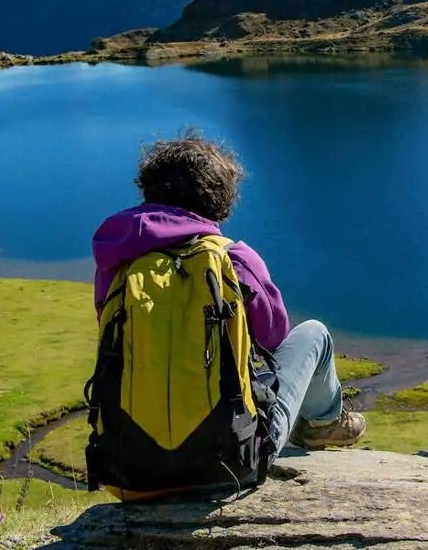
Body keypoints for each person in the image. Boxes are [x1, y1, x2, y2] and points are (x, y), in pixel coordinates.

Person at [91, 131, 366, 465]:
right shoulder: (233, 259)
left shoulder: (118, 264)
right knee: (314, 334)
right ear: (220, 200)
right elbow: (274, 338)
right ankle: (322, 425)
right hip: (230, 462)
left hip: (129, 467)